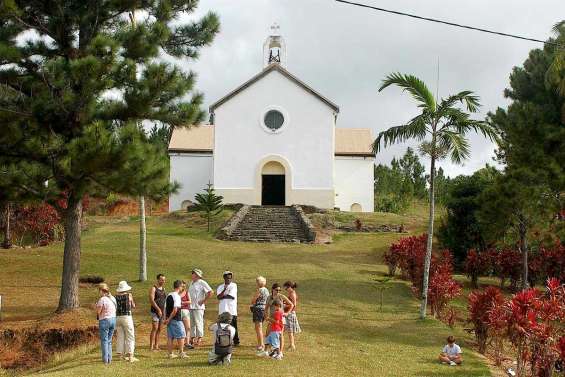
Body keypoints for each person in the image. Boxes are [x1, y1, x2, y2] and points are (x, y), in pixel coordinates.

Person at [265, 283, 293, 355]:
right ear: (272, 289)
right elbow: (266, 308)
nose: (278, 291)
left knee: (280, 335)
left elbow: (291, 304)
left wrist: (287, 313)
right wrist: (266, 316)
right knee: (268, 334)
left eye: (279, 290)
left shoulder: (281, 296)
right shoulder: (269, 297)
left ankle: (280, 352)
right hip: (272, 318)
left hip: (280, 319)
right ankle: (266, 351)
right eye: (276, 290)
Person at [188, 268, 213, 347]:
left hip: (198, 307)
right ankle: (192, 338)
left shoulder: (202, 282)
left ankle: (199, 338)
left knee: (198, 322)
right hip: (191, 306)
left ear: (197, 275)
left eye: (193, 273)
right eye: (192, 273)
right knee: (192, 323)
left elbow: (211, 292)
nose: (192, 275)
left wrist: (203, 300)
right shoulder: (191, 283)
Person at [115, 280, 137, 362]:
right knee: (130, 336)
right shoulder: (129, 295)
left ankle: (120, 356)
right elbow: (133, 305)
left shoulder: (115, 296)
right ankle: (131, 356)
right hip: (127, 317)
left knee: (120, 336)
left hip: (118, 317)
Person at [164, 280, 187, 359]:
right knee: (182, 335)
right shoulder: (176, 296)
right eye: (182, 286)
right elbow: (175, 310)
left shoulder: (169, 295)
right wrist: (169, 319)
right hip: (176, 319)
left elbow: (165, 308)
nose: (182, 288)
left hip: (169, 319)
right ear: (179, 286)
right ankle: (181, 353)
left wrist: (166, 319)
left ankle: (170, 354)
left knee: (170, 337)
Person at [216, 271, 239, 346]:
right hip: (222, 309)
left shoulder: (233, 285)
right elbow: (218, 297)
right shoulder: (220, 287)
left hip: (231, 310)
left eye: (230, 278)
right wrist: (224, 290)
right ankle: (224, 341)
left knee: (233, 326)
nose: (229, 279)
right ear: (224, 278)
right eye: (227, 278)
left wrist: (222, 296)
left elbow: (231, 296)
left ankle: (236, 341)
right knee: (223, 327)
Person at [96, 283, 116, 365]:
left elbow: (98, 312)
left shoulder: (102, 299)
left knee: (104, 340)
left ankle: (105, 360)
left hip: (105, 320)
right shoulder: (113, 298)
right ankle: (109, 359)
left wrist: (96, 307)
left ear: (101, 290)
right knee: (109, 340)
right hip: (113, 319)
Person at [250, 275, 270, 354]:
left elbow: (254, 300)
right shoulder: (266, 290)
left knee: (258, 328)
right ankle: (262, 344)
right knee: (260, 328)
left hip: (258, 309)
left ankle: (261, 345)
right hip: (264, 309)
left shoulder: (260, 290)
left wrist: (252, 304)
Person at [149, 273, 167, 351]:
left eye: (164, 280)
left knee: (160, 328)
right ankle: (151, 346)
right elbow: (151, 300)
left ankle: (156, 345)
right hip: (155, 311)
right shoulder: (153, 288)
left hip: (162, 312)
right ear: (158, 280)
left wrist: (164, 311)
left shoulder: (164, 289)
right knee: (155, 328)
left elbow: (164, 300)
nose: (163, 281)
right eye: (162, 280)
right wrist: (158, 309)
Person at [283, 281, 301, 351]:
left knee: (290, 331)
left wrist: (285, 306)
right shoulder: (291, 293)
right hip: (289, 313)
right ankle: (291, 344)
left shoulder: (292, 294)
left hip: (290, 314)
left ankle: (292, 345)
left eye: (287, 288)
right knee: (290, 330)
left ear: (290, 287)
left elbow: (294, 305)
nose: (286, 289)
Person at [179, 280, 192, 349]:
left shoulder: (187, 292)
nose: (183, 287)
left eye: (184, 285)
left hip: (185, 311)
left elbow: (190, 301)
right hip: (178, 311)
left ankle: (187, 343)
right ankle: (181, 342)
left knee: (188, 328)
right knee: (180, 328)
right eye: (182, 285)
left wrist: (182, 302)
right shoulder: (177, 293)